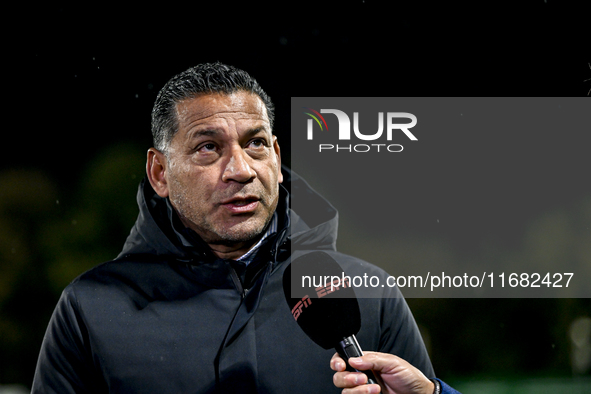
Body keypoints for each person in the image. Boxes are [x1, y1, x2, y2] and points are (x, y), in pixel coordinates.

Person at [32, 62, 455, 393]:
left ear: (275, 154)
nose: (240, 169)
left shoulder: (368, 291)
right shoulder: (90, 310)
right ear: (160, 173)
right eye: (208, 147)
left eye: (254, 143)